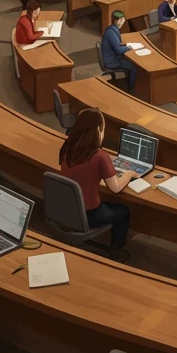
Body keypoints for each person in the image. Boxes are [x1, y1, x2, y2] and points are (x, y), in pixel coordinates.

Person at [58, 108, 134, 260]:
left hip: (66, 209)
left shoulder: (67, 147)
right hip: (89, 214)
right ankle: (116, 251)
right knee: (124, 211)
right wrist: (130, 173)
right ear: (98, 131)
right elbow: (116, 188)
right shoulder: (100, 156)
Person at [100, 10, 137, 93]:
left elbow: (117, 44)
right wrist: (129, 47)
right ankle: (131, 90)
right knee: (134, 68)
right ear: (116, 21)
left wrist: (124, 45)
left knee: (131, 62)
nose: (123, 21)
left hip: (113, 57)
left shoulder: (112, 29)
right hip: (112, 61)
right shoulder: (111, 33)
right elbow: (118, 50)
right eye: (121, 20)